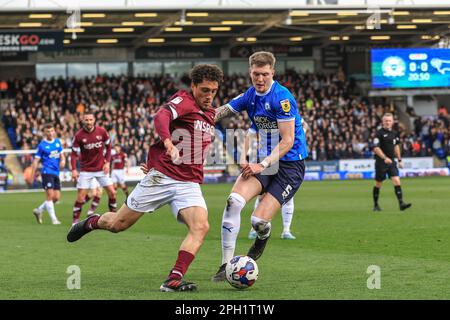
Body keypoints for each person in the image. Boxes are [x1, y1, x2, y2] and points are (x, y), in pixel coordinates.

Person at [66, 64, 224, 292]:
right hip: (162, 178)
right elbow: (162, 115)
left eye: (213, 91)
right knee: (117, 224)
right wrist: (168, 144)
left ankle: (173, 279)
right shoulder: (185, 101)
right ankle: (92, 222)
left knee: (201, 227)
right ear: (193, 86)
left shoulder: (210, 113)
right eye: (204, 90)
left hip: (188, 182)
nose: (209, 95)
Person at [211, 51, 308, 281]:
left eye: (265, 74)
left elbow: (287, 141)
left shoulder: (282, 99)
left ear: (272, 73)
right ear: (250, 72)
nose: (260, 79)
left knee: (258, 221)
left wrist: (260, 164)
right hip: (263, 162)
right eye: (256, 74)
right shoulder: (249, 95)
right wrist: (193, 117)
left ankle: (262, 236)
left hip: (290, 166)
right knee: (234, 202)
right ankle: (225, 266)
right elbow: (220, 111)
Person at [70, 111, 117, 225]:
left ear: (94, 120)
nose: (89, 122)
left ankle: (114, 218)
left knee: (112, 193)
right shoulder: (79, 135)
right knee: (81, 198)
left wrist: (107, 162)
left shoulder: (102, 132)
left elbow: (109, 147)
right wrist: (74, 169)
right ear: (83, 121)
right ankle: (75, 222)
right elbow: (73, 154)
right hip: (86, 170)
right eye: (86, 120)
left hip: (101, 169)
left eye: (91, 120)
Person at [372, 113, 412, 212]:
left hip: (392, 161)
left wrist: (399, 160)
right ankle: (376, 205)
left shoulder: (394, 133)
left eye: (389, 121)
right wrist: (384, 157)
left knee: (397, 180)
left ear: (392, 122)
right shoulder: (379, 133)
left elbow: (396, 147)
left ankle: (401, 203)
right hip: (381, 162)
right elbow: (376, 148)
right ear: (383, 122)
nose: (388, 122)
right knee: (378, 183)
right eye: (386, 120)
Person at [31, 123, 66, 225]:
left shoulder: (57, 142)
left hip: (56, 172)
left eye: (51, 131)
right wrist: (32, 174)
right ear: (45, 132)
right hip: (46, 172)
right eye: (48, 131)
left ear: (54, 131)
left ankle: (39, 210)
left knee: (56, 198)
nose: (50, 133)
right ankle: (54, 219)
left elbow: (62, 155)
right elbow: (36, 161)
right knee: (50, 195)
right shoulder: (42, 145)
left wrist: (63, 161)